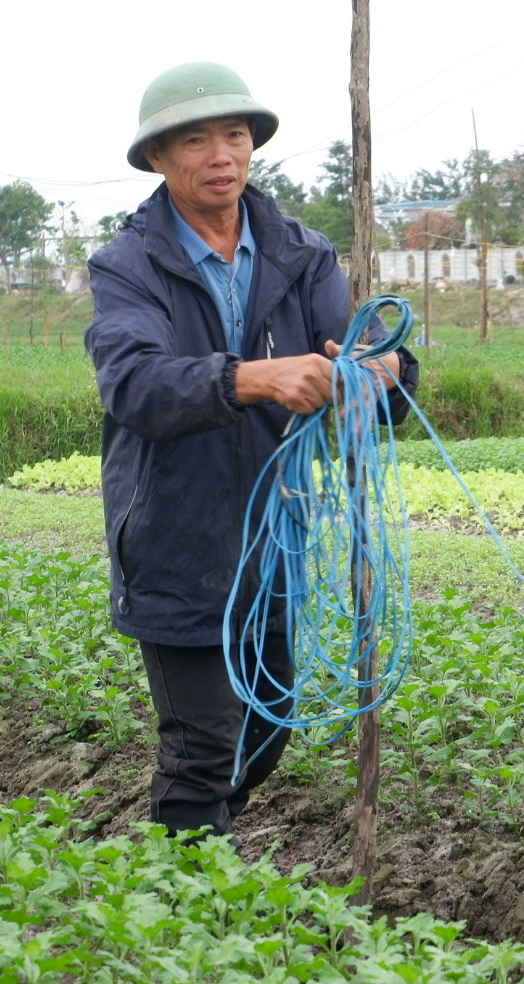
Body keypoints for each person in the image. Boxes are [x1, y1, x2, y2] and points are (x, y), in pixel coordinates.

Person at [85, 62, 418, 845]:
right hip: (175, 538)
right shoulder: (127, 267)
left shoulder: (300, 254)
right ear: (159, 159)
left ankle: (198, 858)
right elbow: (135, 384)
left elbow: (369, 352)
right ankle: (185, 897)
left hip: (274, 536)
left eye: (234, 135)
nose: (221, 155)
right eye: (195, 140)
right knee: (204, 744)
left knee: (266, 728)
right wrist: (252, 379)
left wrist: (383, 371)